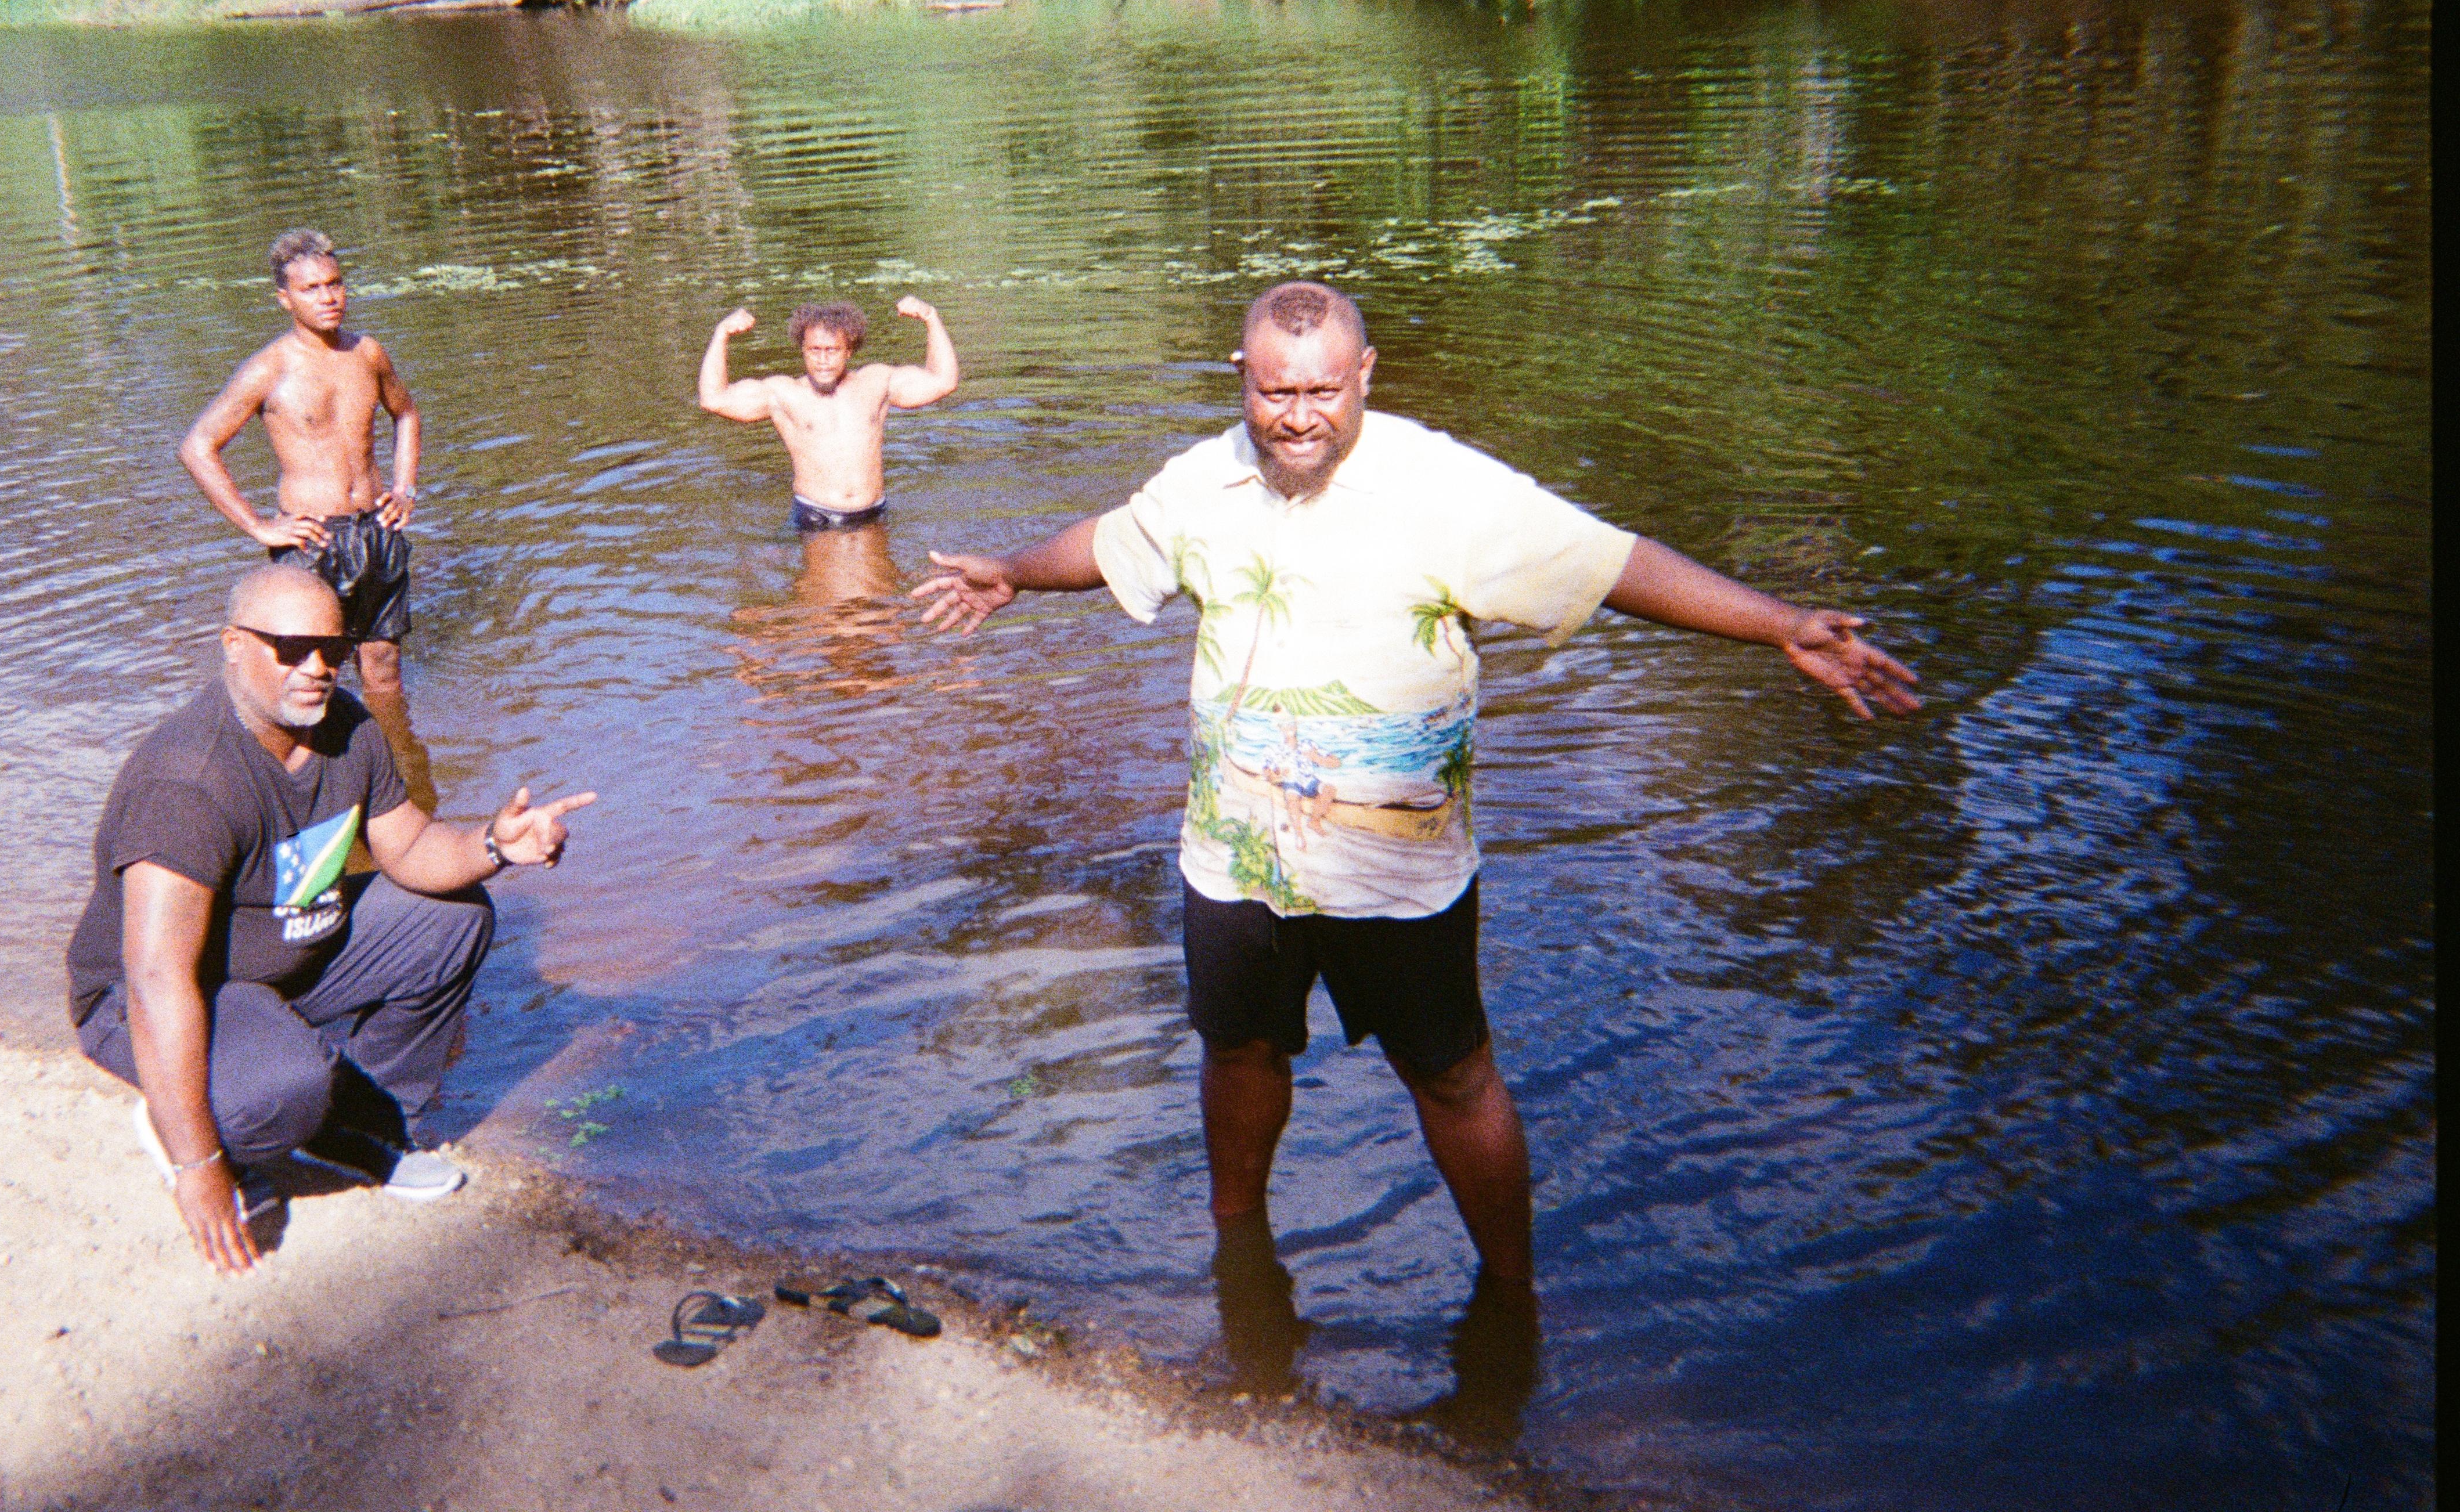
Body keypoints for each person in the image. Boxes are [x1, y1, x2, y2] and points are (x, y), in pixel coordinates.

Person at [912, 281, 1920, 1311]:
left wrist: (1778, 625)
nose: (1299, 415)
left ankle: (1510, 1294)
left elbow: (1614, 564)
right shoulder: (1201, 480)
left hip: (1399, 875)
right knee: (1241, 1049)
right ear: (1241, 381)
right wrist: (1014, 574)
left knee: (1452, 1075)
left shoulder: (1446, 491)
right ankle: (1238, 1255)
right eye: (1274, 392)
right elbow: (1116, 540)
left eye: (1322, 390)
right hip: (1235, 860)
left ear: (1365, 376)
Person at [64, 564, 595, 1276]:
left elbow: (406, 847)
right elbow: (156, 979)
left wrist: (494, 846)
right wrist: (198, 1167)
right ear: (232, 644)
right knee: (283, 1088)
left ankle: (363, 1131)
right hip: (153, 1001)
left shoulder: (346, 727)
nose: (317, 668)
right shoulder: (188, 782)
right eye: (290, 647)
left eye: (334, 648)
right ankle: (194, 1121)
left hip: (281, 960)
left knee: (449, 917)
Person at [180, 230, 429, 802]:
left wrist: (405, 487)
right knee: (311, 677)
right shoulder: (269, 370)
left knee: (384, 672)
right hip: (311, 543)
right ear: (285, 299)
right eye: (311, 289)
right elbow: (198, 446)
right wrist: (256, 525)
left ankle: (394, 784)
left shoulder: (366, 353)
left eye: (334, 284)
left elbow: (407, 415)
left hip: (377, 533)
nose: (328, 297)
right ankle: (312, 792)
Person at [697, 296, 959, 529]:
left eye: (832, 350)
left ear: (849, 351)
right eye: (815, 350)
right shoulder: (783, 393)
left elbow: (943, 381)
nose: (823, 360)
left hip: (874, 513)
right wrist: (722, 334)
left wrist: (930, 317)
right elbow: (714, 399)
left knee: (882, 584)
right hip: (816, 517)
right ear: (803, 350)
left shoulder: (877, 382)